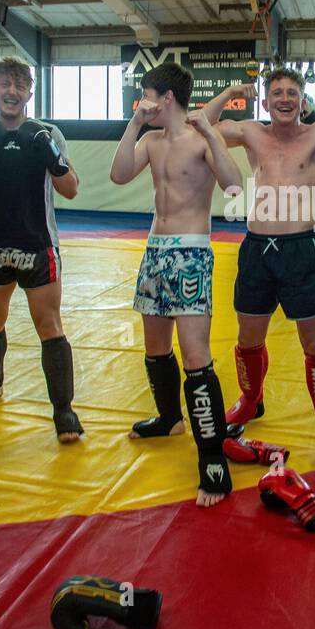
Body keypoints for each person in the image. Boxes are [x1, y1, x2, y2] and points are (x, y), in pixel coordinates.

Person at [199, 68, 315, 469]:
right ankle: (251, 400)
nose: (286, 99)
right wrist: (228, 91)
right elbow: (200, 127)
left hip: (301, 249)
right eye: (278, 93)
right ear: (266, 100)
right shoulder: (252, 132)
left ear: (303, 99)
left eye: (293, 92)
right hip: (257, 248)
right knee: (248, 339)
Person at [110, 62, 244, 507]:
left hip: (190, 252)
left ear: (164, 97)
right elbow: (118, 175)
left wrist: (210, 133)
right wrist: (133, 123)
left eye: (145, 94)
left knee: (195, 355)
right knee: (155, 348)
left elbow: (233, 185)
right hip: (155, 250)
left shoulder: (200, 139)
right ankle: (170, 418)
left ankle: (212, 459)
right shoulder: (149, 140)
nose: (142, 100)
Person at [0, 54, 82, 440]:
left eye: (19, 84)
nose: (12, 91)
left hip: (37, 243)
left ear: (29, 91)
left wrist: (52, 156)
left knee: (49, 326)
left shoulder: (48, 132)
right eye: (4, 84)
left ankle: (63, 409)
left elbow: (71, 189)